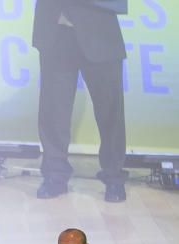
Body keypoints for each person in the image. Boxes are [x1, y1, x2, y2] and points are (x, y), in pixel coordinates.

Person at [33, 0, 128, 202]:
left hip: (100, 32)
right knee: (53, 110)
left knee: (110, 111)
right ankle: (55, 176)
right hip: (55, 32)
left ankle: (114, 177)